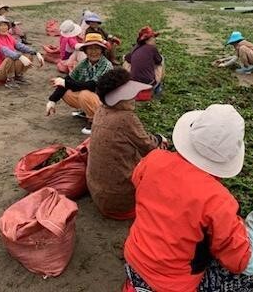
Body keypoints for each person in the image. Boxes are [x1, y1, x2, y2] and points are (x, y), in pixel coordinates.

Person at [123, 104, 253, 292]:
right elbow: (245, 262)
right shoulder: (218, 201)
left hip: (136, 262)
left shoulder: (153, 159)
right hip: (174, 285)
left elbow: (138, 182)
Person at [87, 68, 167, 220]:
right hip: (120, 202)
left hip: (98, 193)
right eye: (129, 96)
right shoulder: (126, 118)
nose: (133, 98)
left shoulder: (101, 110)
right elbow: (149, 147)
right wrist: (159, 138)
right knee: (161, 162)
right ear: (118, 99)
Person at [46, 33, 113, 135]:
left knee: (84, 93)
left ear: (102, 50)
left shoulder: (106, 65)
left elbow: (93, 85)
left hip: (107, 101)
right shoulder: (83, 64)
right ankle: (86, 111)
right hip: (93, 97)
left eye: (97, 48)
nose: (93, 52)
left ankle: (94, 120)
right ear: (85, 51)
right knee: (66, 92)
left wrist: (65, 83)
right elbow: (68, 79)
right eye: (90, 49)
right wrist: (52, 100)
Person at [0, 17, 44, 89]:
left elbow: (20, 46)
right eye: (0, 25)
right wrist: (20, 57)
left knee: (28, 55)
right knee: (10, 58)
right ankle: (9, 80)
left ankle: (18, 76)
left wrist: (36, 52)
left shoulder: (8, 36)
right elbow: (5, 50)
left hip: (11, 67)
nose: (4, 27)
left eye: (5, 25)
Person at [124, 26, 164, 97]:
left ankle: (129, 82)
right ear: (147, 40)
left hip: (134, 84)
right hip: (149, 83)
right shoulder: (152, 48)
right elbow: (159, 61)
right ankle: (157, 88)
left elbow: (127, 58)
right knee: (162, 60)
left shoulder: (135, 48)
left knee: (126, 62)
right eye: (153, 38)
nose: (154, 40)